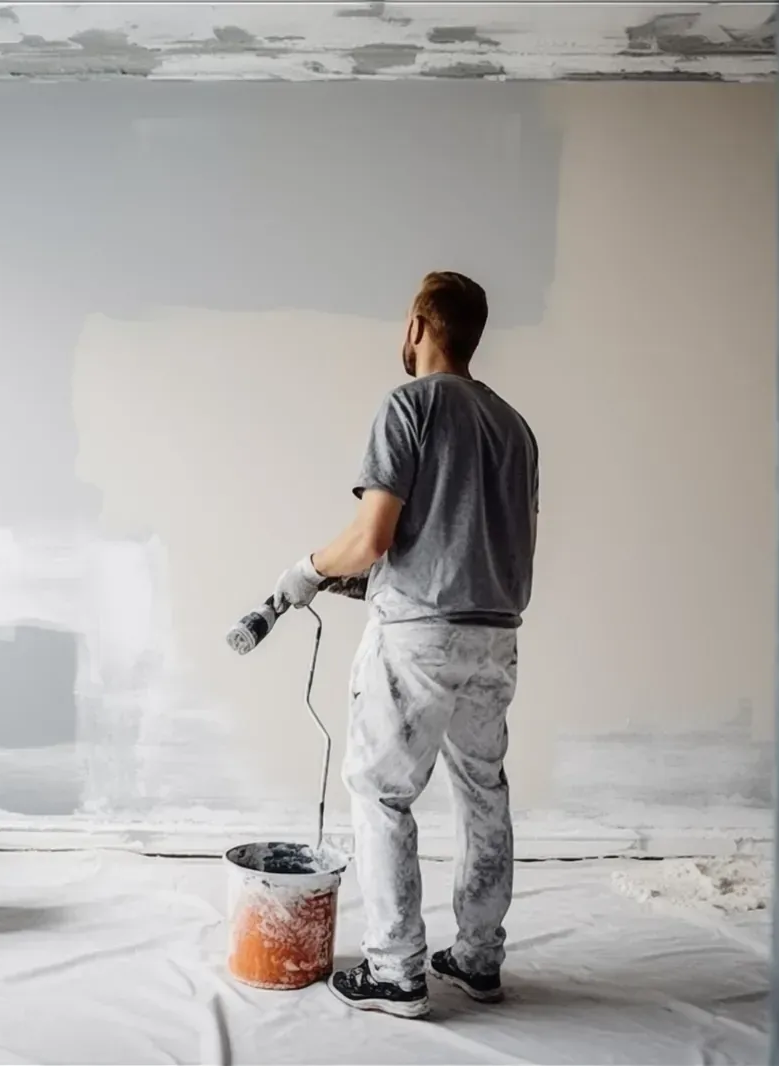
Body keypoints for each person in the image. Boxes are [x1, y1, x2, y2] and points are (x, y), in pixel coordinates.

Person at [271, 271, 539, 1019]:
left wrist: (307, 571)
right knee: (484, 793)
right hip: (496, 636)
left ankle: (395, 972)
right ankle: (480, 959)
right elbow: (502, 545)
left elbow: (371, 537)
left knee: (382, 793)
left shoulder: (409, 406)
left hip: (420, 638)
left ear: (421, 325)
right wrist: (383, 581)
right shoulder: (515, 428)